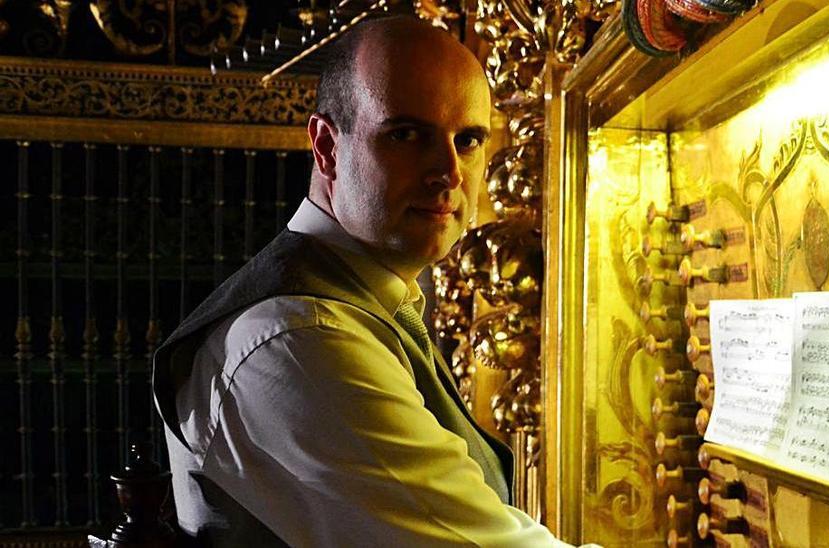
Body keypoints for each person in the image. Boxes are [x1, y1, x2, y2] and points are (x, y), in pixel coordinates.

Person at [152, 15, 573, 547]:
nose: (448, 170)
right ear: (327, 147)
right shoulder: (301, 337)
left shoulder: (367, 302)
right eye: (406, 134)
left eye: (468, 140)